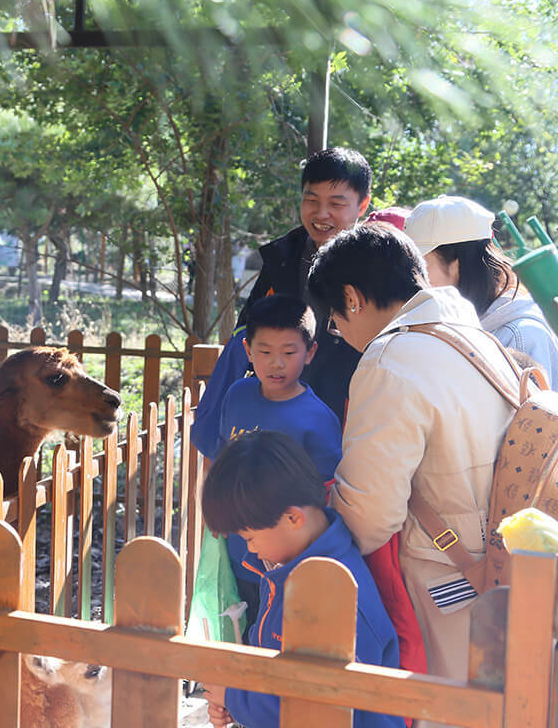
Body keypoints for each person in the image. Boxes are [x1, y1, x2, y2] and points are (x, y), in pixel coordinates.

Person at [307, 224, 518, 695]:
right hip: (504, 568)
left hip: (446, 582)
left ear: (352, 298)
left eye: (335, 320)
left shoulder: (391, 358)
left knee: (444, 710)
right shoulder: (474, 338)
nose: (340, 333)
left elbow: (369, 515)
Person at [201, 431, 403, 728]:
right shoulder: (284, 567)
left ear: (293, 518)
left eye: (250, 537)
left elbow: (322, 706)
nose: (250, 549)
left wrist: (238, 699)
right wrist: (241, 703)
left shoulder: (336, 595)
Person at [193, 146, 372, 459]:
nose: (321, 213)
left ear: (363, 204)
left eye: (336, 203)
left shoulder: (375, 267)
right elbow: (249, 329)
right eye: (311, 200)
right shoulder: (283, 257)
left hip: (346, 419)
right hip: (275, 419)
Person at [215, 293, 343, 637]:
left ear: (310, 353)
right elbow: (222, 457)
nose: (276, 364)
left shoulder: (317, 419)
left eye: (288, 353)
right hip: (237, 553)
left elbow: (327, 496)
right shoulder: (237, 396)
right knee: (238, 635)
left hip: (288, 563)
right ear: (247, 350)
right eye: (265, 352)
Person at [403, 195, 558, 384]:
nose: (414, 276)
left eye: (420, 265)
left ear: (457, 263)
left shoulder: (521, 335)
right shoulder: (462, 321)